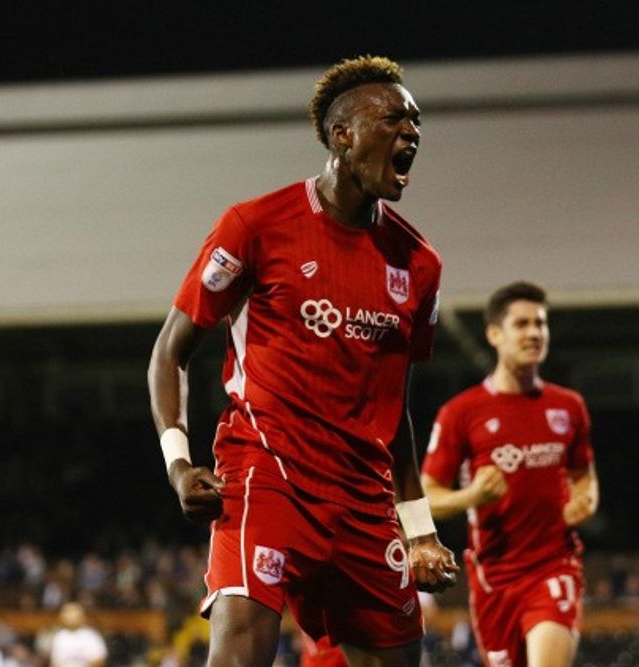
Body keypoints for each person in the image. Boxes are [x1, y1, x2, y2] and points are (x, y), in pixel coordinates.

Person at [148, 55, 459, 667]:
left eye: (417, 124)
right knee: (240, 653)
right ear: (342, 135)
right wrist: (179, 466)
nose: (412, 134)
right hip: (266, 474)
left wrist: (418, 526)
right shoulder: (255, 226)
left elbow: (394, 408)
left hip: (364, 498)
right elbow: (169, 353)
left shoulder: (420, 264)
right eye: (394, 119)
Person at [420, 281, 599, 667]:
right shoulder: (461, 412)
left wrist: (586, 498)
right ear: (494, 334)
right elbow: (426, 495)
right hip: (493, 579)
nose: (535, 333)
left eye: (541, 323)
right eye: (522, 324)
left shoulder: (568, 407)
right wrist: (471, 498)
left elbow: (584, 474)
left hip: (554, 565)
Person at [47, 602, 107, 667]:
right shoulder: (59, 636)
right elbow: (54, 663)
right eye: (68, 613)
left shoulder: (91, 635)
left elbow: (100, 661)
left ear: (82, 616)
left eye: (74, 613)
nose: (71, 616)